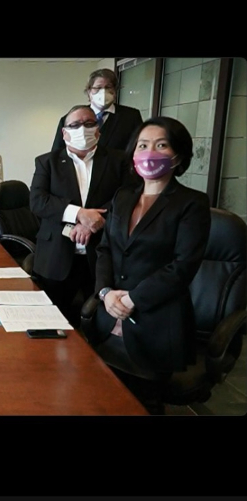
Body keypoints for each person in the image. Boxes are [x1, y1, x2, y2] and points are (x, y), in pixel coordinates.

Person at [90, 117, 209, 414]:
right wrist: (105, 292)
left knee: (141, 406)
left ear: (177, 155)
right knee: (98, 399)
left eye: (161, 145)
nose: (149, 151)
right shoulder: (123, 196)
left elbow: (183, 266)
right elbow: (105, 248)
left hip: (155, 326)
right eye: (143, 145)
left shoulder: (191, 203)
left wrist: (132, 298)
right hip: (107, 321)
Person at [29, 105, 132, 322]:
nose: (82, 129)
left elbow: (127, 198)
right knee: (51, 323)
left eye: (88, 123)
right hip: (55, 257)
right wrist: (78, 214)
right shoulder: (47, 162)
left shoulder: (118, 160)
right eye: (75, 125)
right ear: (64, 133)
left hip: (102, 257)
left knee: (99, 323)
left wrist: (92, 223)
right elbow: (38, 201)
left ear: (98, 130)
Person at [51, 68, 143, 155]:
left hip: (117, 169)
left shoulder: (131, 116)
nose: (103, 92)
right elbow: (57, 153)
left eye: (108, 87)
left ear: (115, 90)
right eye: (98, 88)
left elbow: (139, 148)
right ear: (89, 91)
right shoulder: (71, 118)